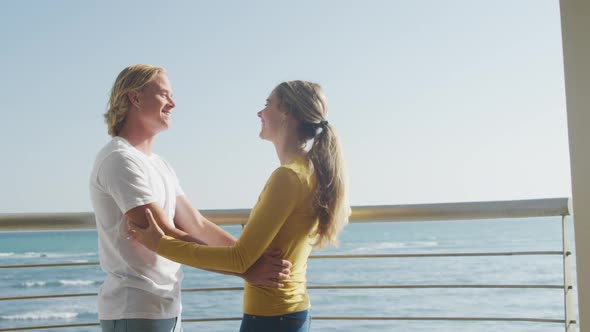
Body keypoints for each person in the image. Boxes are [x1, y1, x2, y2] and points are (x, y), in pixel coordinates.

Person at [129, 80, 350, 332]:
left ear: (287, 113)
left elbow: (239, 260)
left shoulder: (288, 177)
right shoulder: (308, 172)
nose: (260, 113)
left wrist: (160, 244)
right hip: (288, 314)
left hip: (272, 319)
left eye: (268, 104)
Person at [89, 65, 292, 332]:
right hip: (135, 308)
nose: (172, 104)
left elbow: (196, 224)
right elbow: (162, 234)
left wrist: (248, 258)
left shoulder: (159, 164)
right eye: (164, 95)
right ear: (135, 98)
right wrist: (245, 270)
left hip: (167, 306)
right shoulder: (119, 158)